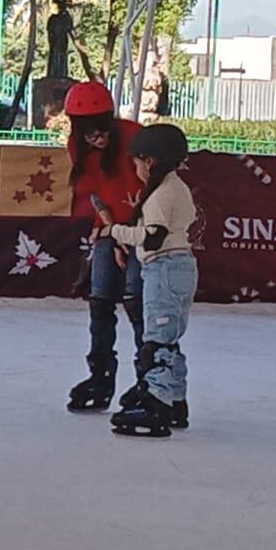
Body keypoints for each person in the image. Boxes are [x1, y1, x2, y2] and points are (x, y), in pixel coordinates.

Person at [92, 124, 196, 438]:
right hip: (178, 267)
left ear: (150, 161)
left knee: (157, 343)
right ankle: (177, 402)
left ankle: (157, 405)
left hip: (164, 268)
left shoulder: (162, 193)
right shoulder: (175, 188)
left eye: (137, 162)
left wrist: (115, 232)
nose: (134, 168)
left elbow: (152, 238)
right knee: (170, 341)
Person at [63, 81, 147, 414]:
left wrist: (128, 236)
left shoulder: (135, 137)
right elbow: (96, 194)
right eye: (88, 133)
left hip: (144, 229)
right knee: (100, 302)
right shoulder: (76, 146)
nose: (97, 139)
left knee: (138, 304)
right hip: (110, 227)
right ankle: (100, 375)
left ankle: (149, 380)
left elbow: (154, 190)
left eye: (101, 131)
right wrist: (112, 231)